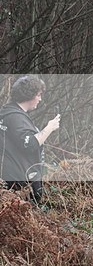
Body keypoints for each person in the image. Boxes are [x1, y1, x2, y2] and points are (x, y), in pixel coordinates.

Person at [0, 75, 60, 203]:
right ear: (29, 95)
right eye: (38, 95)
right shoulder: (16, 118)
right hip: (18, 184)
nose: (40, 99)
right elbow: (29, 144)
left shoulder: (5, 113)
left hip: (8, 181)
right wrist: (49, 128)